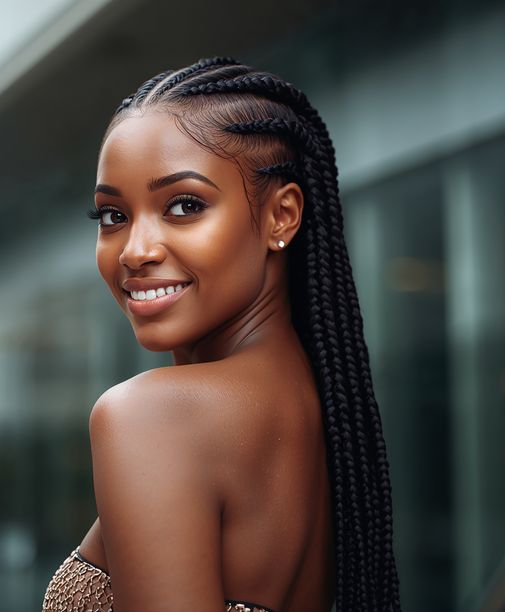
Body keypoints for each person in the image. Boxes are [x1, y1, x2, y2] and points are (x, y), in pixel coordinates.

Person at [42, 57, 401, 612]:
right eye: (112, 215)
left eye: (184, 206)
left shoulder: (151, 417)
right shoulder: (318, 405)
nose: (136, 250)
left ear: (282, 215)